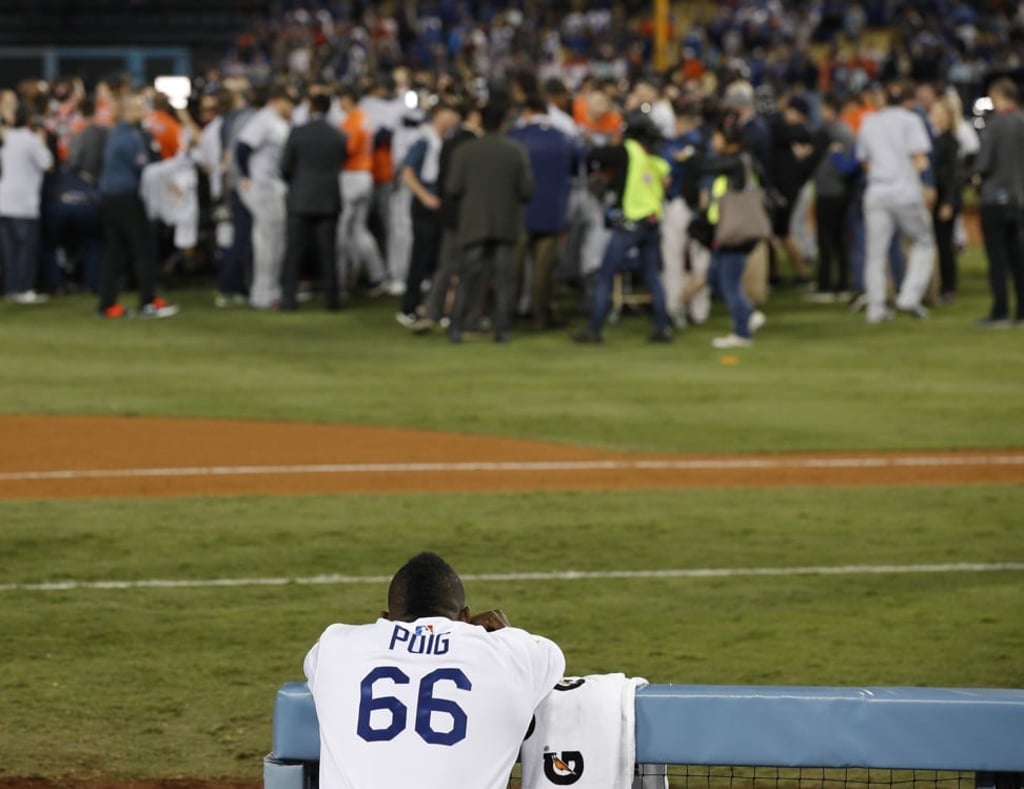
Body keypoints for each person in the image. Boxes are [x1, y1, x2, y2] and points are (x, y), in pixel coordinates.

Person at [303, 552, 565, 789]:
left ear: (386, 617)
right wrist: (501, 635)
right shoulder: (511, 653)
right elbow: (552, 661)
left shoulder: (336, 646)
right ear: (465, 616)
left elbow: (317, 651)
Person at [573, 112, 672, 344]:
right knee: (652, 276)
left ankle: (594, 328)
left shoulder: (627, 151)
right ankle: (662, 328)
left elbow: (595, 155)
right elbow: (665, 179)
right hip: (652, 220)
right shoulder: (655, 160)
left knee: (606, 273)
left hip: (631, 220)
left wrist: (595, 140)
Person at [445, 99, 534, 344]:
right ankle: (502, 330)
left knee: (468, 279)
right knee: (504, 280)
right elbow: (527, 191)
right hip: (506, 224)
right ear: (504, 123)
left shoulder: (465, 152)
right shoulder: (516, 151)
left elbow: (453, 188)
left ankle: (456, 327)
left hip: (474, 224)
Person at [856, 79, 935, 324]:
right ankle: (909, 297)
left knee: (875, 253)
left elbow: (864, 162)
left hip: (877, 191)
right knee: (924, 242)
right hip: (905, 192)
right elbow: (920, 159)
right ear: (909, 101)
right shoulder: (911, 120)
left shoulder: (869, 121)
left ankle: (876, 308)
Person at [96, 93, 178, 319]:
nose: (143, 111)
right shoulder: (130, 136)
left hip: (109, 198)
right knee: (144, 249)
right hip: (127, 198)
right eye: (137, 107)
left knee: (116, 252)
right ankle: (147, 302)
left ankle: (108, 304)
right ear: (124, 112)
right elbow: (144, 169)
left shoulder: (116, 134)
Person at [507, 95, 577, 330]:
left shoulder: (516, 136)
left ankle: (507, 316)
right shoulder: (564, 138)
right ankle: (541, 317)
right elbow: (577, 168)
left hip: (519, 211)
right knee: (543, 272)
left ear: (527, 112)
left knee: (513, 270)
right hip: (553, 212)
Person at [701, 111, 768, 349]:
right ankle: (747, 316)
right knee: (717, 277)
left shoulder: (736, 161)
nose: (713, 142)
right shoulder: (746, 160)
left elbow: (706, 166)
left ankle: (743, 329)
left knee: (729, 283)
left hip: (735, 232)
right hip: (732, 231)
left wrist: (689, 157)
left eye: (717, 137)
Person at [279, 93, 349, 311]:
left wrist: (298, 183)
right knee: (328, 252)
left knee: (293, 252)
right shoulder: (338, 135)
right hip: (328, 200)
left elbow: (284, 165)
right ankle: (331, 301)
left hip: (300, 199)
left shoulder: (298, 132)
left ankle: (289, 299)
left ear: (310, 107)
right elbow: (341, 162)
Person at [395, 101, 462, 326]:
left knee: (437, 259)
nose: (453, 118)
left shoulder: (445, 141)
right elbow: (407, 173)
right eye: (449, 112)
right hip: (426, 204)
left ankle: (432, 306)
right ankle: (409, 306)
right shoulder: (424, 139)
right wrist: (425, 197)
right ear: (438, 115)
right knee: (421, 257)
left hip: (440, 203)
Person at [236, 85, 294, 310]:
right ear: (278, 100)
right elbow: (243, 147)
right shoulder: (265, 119)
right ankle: (265, 293)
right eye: (289, 102)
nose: (292, 108)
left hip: (270, 185)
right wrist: (246, 175)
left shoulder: (274, 121)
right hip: (262, 186)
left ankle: (265, 292)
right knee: (271, 242)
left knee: (270, 241)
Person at [973, 77, 1024, 328]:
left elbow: (983, 163)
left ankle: (1001, 311)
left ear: (998, 94)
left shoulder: (995, 125)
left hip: (995, 197)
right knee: (1017, 255)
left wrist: (973, 177)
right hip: (1019, 199)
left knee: (997, 257)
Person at [337, 84, 388, 295]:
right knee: (358, 230)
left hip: (352, 175)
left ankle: (341, 282)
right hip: (365, 175)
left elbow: (346, 151)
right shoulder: (365, 117)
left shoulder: (354, 120)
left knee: (341, 232)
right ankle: (377, 275)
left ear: (348, 99)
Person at [0, 103, 54, 304]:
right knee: (25, 249)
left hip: (4, 200)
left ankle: (11, 288)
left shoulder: (8, 138)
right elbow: (47, 164)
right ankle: (23, 289)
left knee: (9, 250)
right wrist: (43, 141)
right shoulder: (31, 140)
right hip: (24, 203)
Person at [927, 95, 962, 305]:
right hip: (937, 197)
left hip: (944, 199)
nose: (933, 116)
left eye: (938, 113)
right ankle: (940, 285)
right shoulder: (935, 139)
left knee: (944, 244)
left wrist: (948, 202)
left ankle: (948, 287)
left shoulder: (950, 140)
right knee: (937, 244)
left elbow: (955, 175)